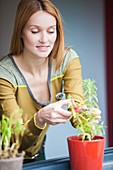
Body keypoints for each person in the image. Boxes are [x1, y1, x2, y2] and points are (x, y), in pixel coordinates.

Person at [0, 0, 100, 163]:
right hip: (7, 159)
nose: (45, 40)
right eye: (35, 31)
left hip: (38, 154)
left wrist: (86, 116)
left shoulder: (67, 60)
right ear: (21, 32)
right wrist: (40, 119)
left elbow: (78, 110)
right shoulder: (4, 74)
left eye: (51, 31)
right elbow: (16, 140)